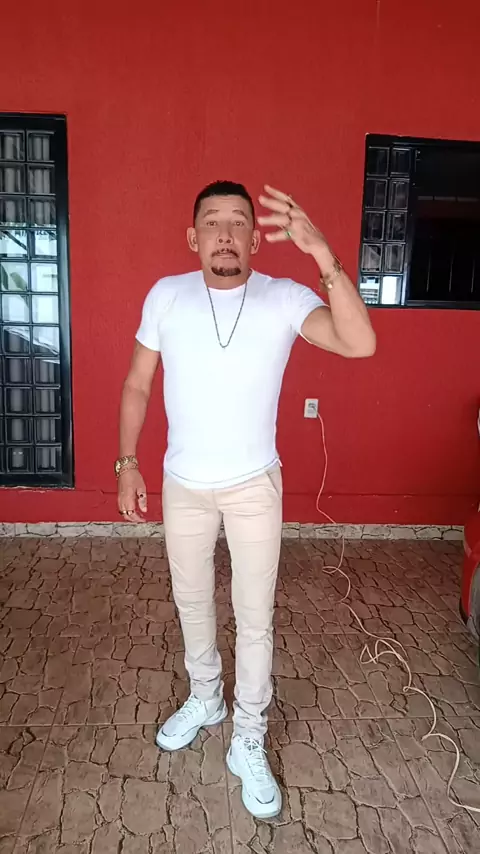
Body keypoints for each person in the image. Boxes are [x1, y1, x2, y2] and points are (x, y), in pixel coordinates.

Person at [116, 181, 376, 819]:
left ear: (256, 239)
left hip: (254, 485)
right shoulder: (166, 296)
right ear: (193, 237)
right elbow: (138, 383)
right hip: (183, 484)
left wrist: (321, 253)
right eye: (213, 222)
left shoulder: (283, 298)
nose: (226, 234)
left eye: (238, 222)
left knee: (255, 616)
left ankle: (249, 735)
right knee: (192, 601)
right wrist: (127, 462)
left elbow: (359, 342)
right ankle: (206, 699)